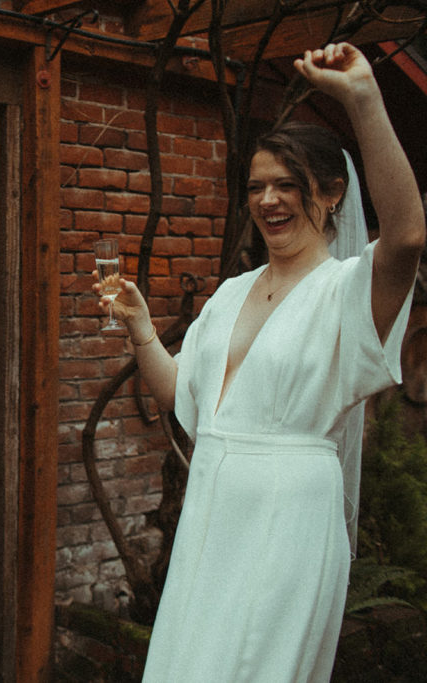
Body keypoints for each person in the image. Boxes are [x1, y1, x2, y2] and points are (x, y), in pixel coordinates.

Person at [93, 43, 424, 681]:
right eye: (256, 187)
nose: (268, 200)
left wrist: (363, 99)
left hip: (289, 520)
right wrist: (139, 330)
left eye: (287, 185)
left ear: (330, 195)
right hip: (211, 512)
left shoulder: (348, 292)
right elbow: (180, 397)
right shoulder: (230, 293)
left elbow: (407, 235)